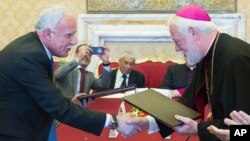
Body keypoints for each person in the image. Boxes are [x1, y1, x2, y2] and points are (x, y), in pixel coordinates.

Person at [0, 6, 139, 141]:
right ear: (48, 33)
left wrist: (70, 103)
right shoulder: (28, 56)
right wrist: (114, 121)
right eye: (69, 35)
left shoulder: (35, 48)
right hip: (17, 133)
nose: (74, 41)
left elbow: (43, 96)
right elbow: (58, 107)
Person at [128, 4, 250, 141]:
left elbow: (238, 129)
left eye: (177, 41)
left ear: (193, 33)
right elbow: (186, 103)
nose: (176, 49)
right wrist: (146, 123)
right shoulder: (209, 54)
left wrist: (198, 129)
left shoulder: (234, 59)